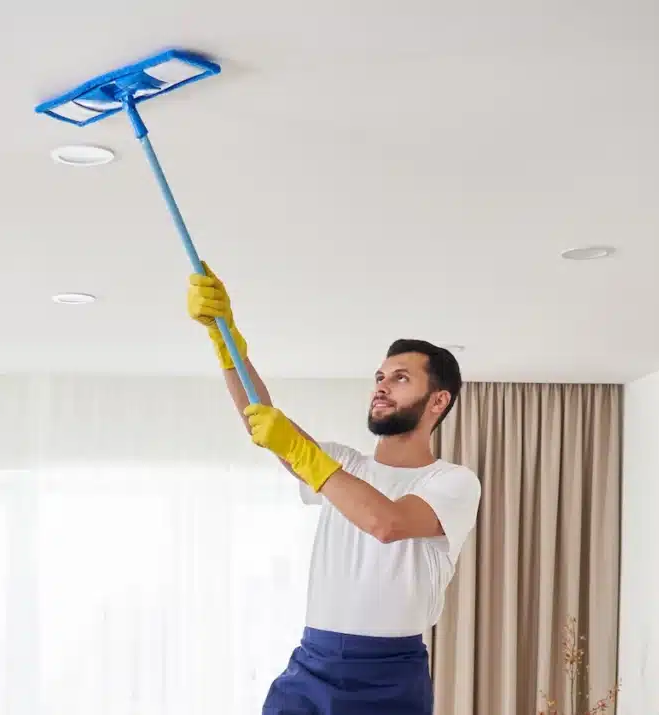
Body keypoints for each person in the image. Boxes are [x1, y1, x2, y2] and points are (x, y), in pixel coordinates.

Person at [186, 265, 482, 715]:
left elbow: (387, 523)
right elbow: (262, 417)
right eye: (380, 377)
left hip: (389, 677)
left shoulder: (452, 482)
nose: (382, 386)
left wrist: (303, 454)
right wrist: (226, 343)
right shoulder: (344, 464)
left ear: (439, 401)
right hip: (311, 664)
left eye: (401, 378)